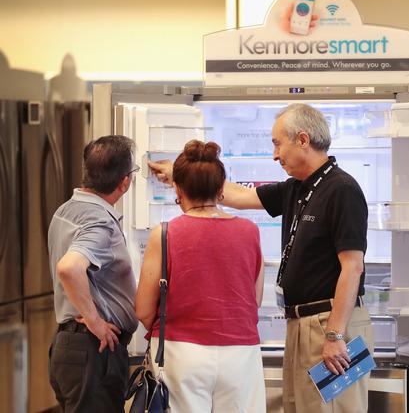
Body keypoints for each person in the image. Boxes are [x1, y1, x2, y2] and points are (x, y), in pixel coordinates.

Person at [149, 103, 373, 413]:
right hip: (302, 323)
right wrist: (185, 175)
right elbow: (240, 197)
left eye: (278, 143)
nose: (275, 154)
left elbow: (353, 266)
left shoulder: (342, 190)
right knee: (301, 407)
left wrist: (335, 335)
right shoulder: (298, 188)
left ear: (303, 140)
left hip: (333, 324)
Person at [136, 140, 266, 412]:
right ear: (221, 190)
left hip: (180, 351)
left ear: (177, 188)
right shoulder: (250, 232)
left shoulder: (164, 234)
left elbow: (144, 310)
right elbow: (254, 301)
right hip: (240, 352)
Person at [47, 135, 139, 413]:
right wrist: (95, 320)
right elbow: (69, 267)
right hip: (93, 351)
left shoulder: (66, 210)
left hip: (70, 347)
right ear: (125, 182)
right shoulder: (99, 221)